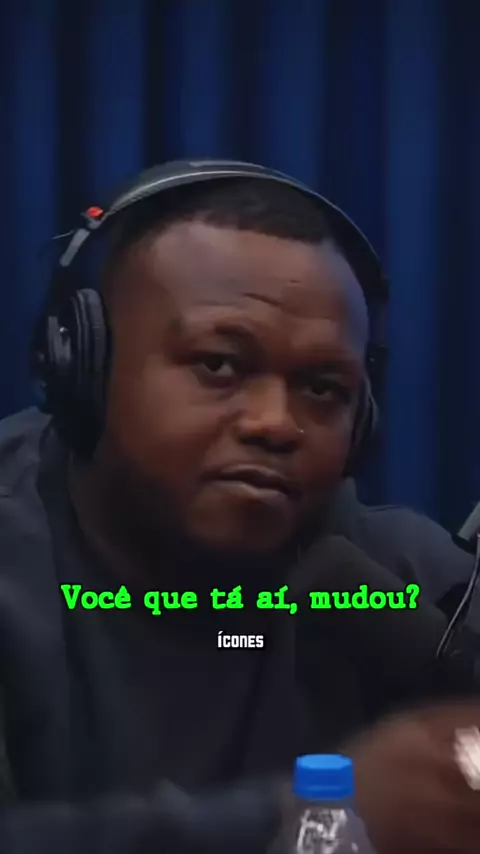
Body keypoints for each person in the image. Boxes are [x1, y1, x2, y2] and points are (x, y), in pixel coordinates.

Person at [0, 159, 479, 853]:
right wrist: (302, 817)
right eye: (219, 365)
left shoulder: (391, 579)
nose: (275, 423)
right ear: (85, 368)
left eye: (322, 388)